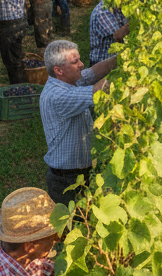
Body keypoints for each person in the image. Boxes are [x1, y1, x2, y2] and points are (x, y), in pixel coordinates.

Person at [39, 40, 117, 206]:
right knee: (74, 227)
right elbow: (98, 91)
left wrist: (118, 59)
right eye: (75, 62)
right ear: (58, 70)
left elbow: (94, 72)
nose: (81, 65)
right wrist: (127, 70)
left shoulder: (68, 81)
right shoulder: (57, 96)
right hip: (67, 180)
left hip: (79, 173)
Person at [89, 0, 130, 66]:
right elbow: (118, 36)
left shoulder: (117, 7)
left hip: (114, 60)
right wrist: (136, 19)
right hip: (102, 64)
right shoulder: (102, 12)